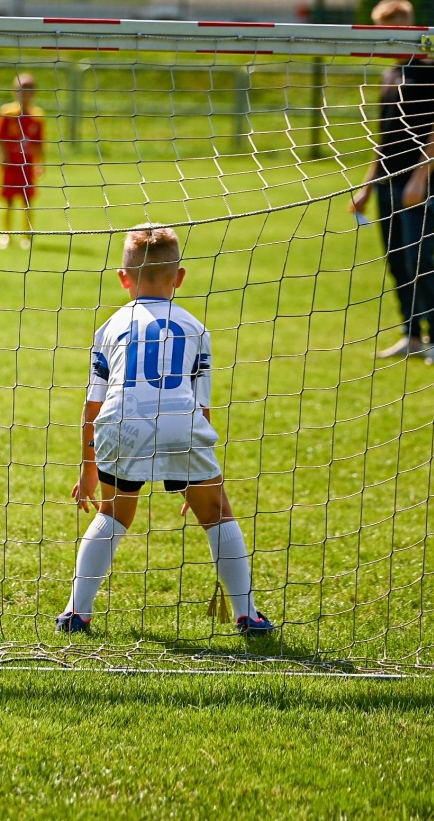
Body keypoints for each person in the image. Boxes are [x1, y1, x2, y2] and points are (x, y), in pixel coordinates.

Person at [57, 224, 274, 637]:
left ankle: (76, 613)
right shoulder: (195, 328)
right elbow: (202, 407)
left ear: (123, 278)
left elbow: (92, 406)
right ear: (180, 277)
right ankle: (247, 615)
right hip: (181, 425)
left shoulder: (110, 328)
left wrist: (88, 467)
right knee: (218, 514)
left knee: (113, 514)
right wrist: (198, 476)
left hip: (121, 424)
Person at [349, 0, 434, 367]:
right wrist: (367, 186)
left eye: (391, 29)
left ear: (408, 26)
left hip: (417, 186)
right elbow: (386, 138)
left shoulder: (432, 70)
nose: (385, 37)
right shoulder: (390, 74)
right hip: (387, 183)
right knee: (396, 261)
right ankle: (411, 335)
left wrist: (419, 179)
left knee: (419, 259)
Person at [0, 73, 45, 249]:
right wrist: (4, 156)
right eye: (21, 89)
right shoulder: (7, 113)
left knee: (27, 200)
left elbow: (39, 144)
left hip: (27, 165)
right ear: (15, 91)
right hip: (11, 164)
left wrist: (40, 163)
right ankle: (5, 235)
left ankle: (26, 236)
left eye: (29, 89)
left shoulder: (37, 116)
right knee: (7, 199)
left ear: (34, 92)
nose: (25, 93)